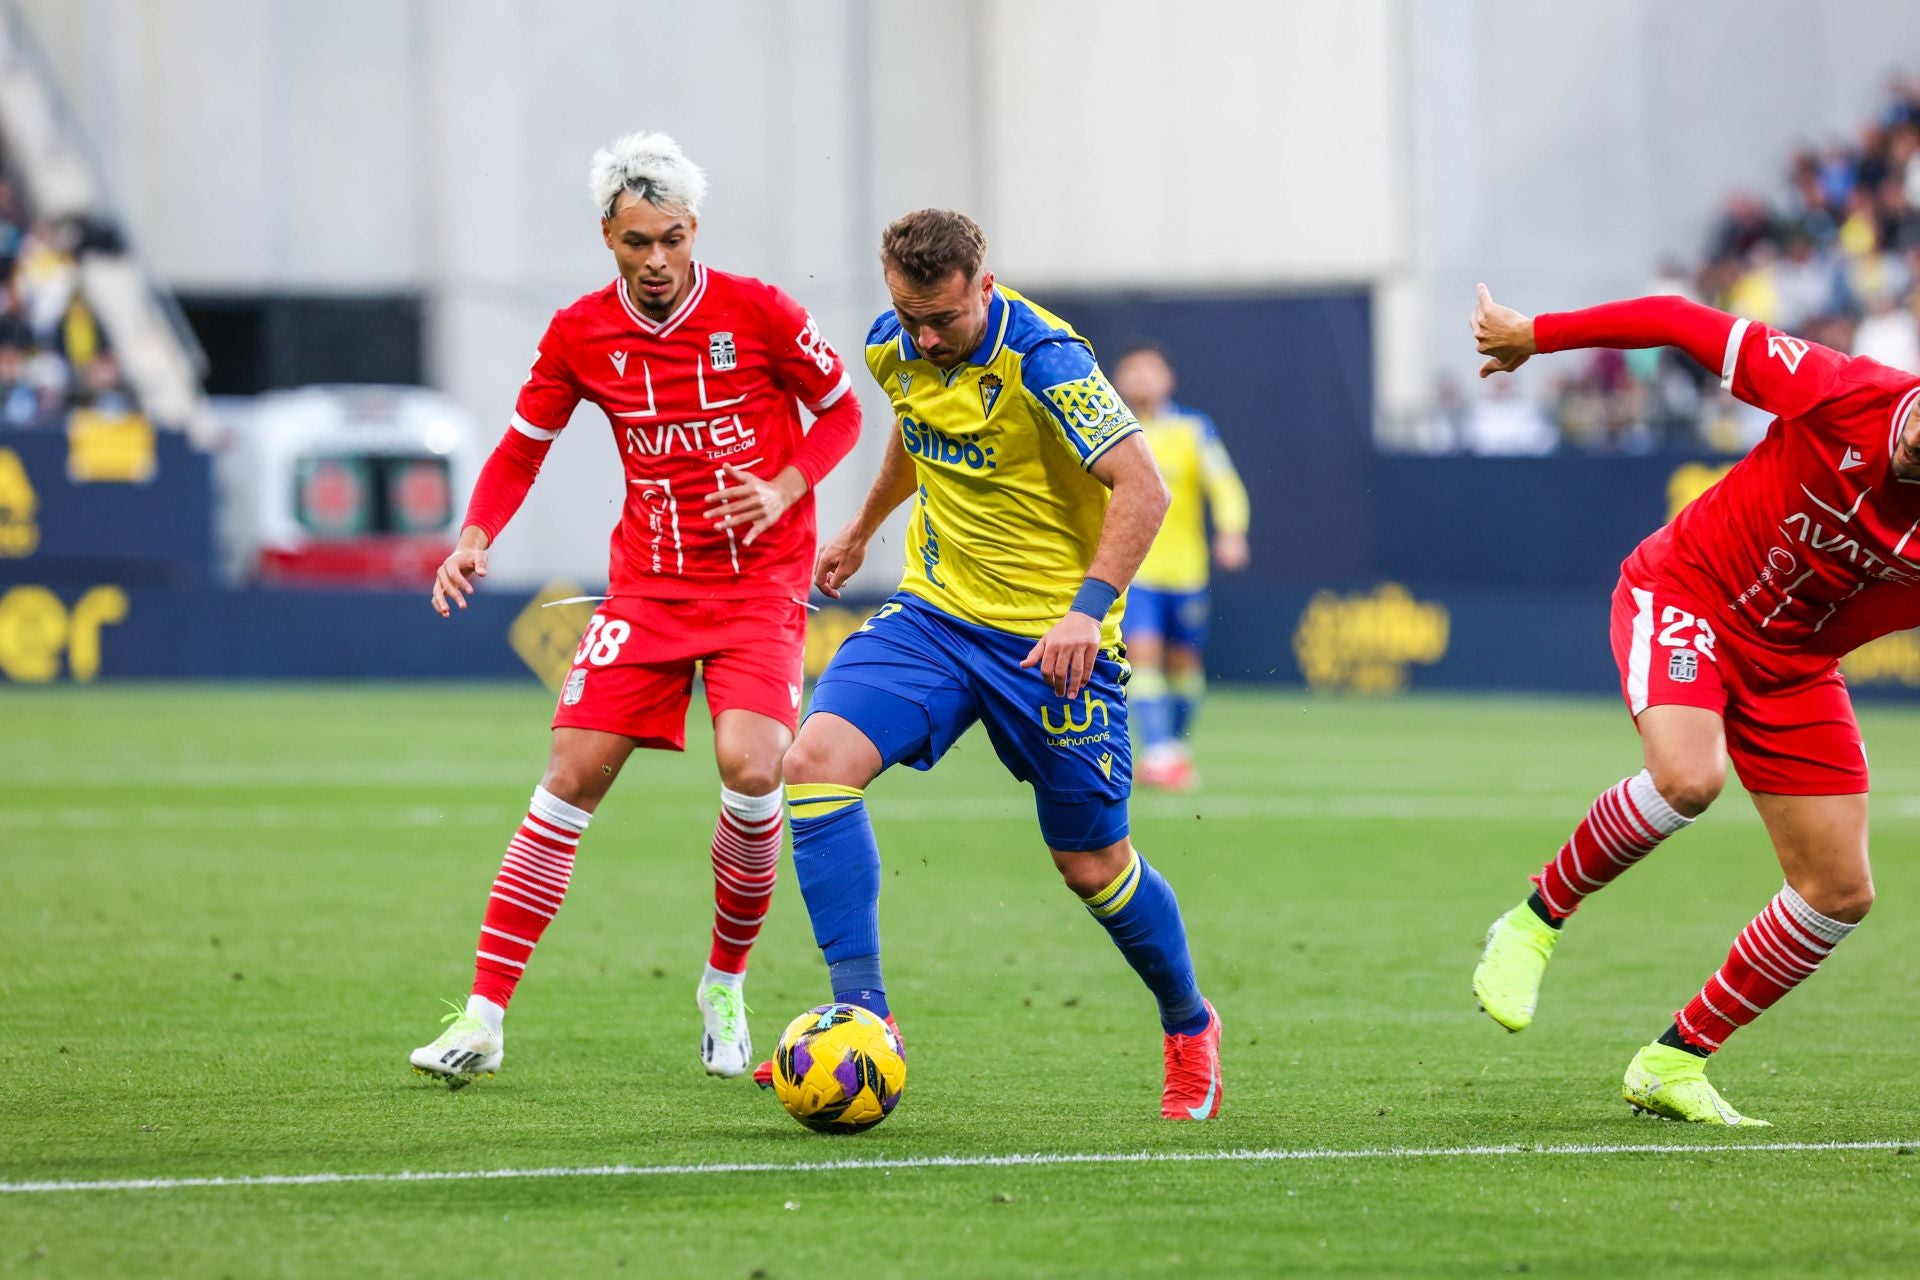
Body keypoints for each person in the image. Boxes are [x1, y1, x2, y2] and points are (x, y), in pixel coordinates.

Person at [409, 131, 861, 1087]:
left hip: (757, 586)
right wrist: (477, 534)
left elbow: (846, 412)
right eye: (635, 244)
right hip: (649, 588)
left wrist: (787, 487)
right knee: (568, 777)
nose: (656, 262)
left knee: (752, 766)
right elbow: (521, 446)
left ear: (694, 230)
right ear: (607, 237)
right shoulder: (580, 331)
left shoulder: (762, 312)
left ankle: (724, 986)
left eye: (671, 240)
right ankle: (484, 1018)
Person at [761, 209, 1224, 1119]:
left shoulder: (1048, 361)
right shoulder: (896, 345)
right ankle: (865, 1016)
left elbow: (1146, 486)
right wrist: (861, 529)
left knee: (1093, 866)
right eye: (907, 315)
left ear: (985, 284)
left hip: (1052, 643)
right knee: (813, 766)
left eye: (943, 319)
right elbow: (915, 427)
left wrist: (1086, 613)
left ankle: (1187, 1022)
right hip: (935, 616)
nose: (925, 339)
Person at [1468, 281, 1920, 1125]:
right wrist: (1538, 334)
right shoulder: (1842, 388)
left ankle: (1673, 1059)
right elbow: (1680, 319)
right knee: (1687, 778)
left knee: (1839, 889)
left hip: (1792, 664)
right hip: (1690, 594)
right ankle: (1534, 921)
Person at [1109, 341, 1250, 790]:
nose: (1140, 380)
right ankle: (1159, 752)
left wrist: (1231, 531)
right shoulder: (1111, 430)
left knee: (1184, 668)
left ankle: (1175, 746)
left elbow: (1224, 484)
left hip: (1187, 572)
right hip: (1136, 571)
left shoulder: (1193, 430)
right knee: (1143, 657)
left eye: (1149, 371)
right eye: (1131, 373)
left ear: (1168, 380)